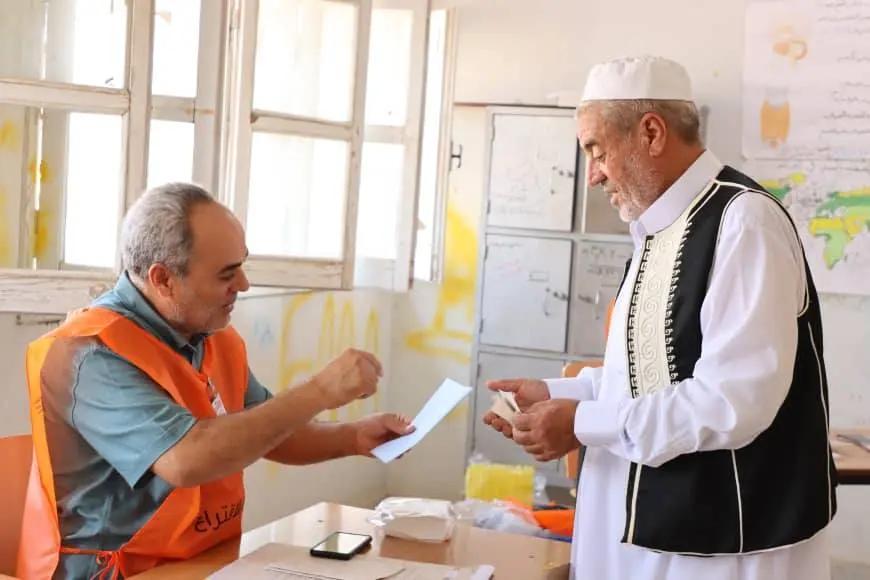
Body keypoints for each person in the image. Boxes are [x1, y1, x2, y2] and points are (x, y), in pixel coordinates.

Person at [483, 56, 836, 580]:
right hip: (649, 534)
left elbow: (731, 400)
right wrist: (559, 394)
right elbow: (648, 375)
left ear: (651, 132)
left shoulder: (742, 222)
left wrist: (579, 422)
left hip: (719, 545)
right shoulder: (660, 230)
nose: (592, 175)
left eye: (597, 151)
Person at [19, 183, 413, 579]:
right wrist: (320, 391)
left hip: (201, 561)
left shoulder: (208, 334)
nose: (243, 284)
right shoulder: (90, 354)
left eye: (241, 265)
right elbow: (186, 459)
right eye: (227, 274)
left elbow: (269, 429)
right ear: (163, 279)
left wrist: (353, 437)